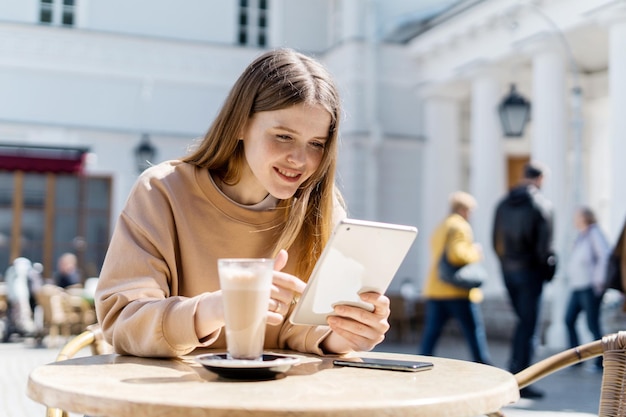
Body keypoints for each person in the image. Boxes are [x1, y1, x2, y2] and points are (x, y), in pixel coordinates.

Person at [95, 48, 391, 358]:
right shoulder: (162, 191)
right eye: (283, 136)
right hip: (180, 399)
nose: (301, 159)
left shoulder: (320, 207)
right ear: (240, 124)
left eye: (316, 144)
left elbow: (300, 328)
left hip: (284, 401)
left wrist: (345, 333)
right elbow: (122, 322)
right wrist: (218, 308)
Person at [492, 161, 556, 399]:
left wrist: (506, 265)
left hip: (509, 271)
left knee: (522, 323)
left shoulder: (502, 204)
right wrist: (546, 271)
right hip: (531, 273)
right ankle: (523, 380)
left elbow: (494, 241)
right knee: (529, 326)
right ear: (539, 179)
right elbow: (546, 248)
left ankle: (514, 371)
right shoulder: (542, 204)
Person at [419, 191, 493, 365]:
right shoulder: (460, 226)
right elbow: (457, 255)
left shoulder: (441, 225)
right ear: (463, 210)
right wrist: (475, 252)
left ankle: (420, 362)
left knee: (431, 333)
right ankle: (484, 365)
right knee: (474, 331)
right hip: (457, 290)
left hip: (436, 289)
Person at [564, 206, 609, 371]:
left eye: (577, 216)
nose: (575, 220)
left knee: (593, 325)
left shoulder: (594, 233)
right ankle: (576, 359)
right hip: (578, 286)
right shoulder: (581, 236)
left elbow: (604, 256)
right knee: (568, 320)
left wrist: (598, 281)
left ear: (585, 218)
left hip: (590, 287)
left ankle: (603, 362)